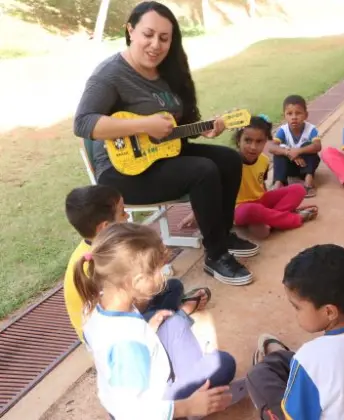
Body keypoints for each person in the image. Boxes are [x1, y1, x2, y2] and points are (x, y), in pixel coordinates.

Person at [73, 1, 257, 285]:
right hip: (121, 172)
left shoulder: (169, 70)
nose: (155, 45)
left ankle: (221, 232)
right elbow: (83, 123)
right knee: (203, 170)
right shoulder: (110, 75)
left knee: (229, 160)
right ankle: (216, 255)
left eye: (164, 38)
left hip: (163, 155)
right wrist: (144, 124)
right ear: (130, 31)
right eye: (148, 34)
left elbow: (172, 130)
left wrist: (204, 128)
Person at [75, 223, 237, 419]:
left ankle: (193, 381)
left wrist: (147, 331)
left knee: (174, 323)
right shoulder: (127, 346)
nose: (164, 274)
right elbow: (131, 413)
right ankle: (191, 407)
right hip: (150, 408)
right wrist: (188, 406)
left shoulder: (98, 305)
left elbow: (106, 351)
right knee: (224, 363)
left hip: (146, 376)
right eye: (159, 270)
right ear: (136, 282)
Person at [246, 244, 344, 419]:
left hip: (310, 374)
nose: (295, 314)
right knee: (287, 361)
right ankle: (285, 365)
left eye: (297, 307)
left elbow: (296, 416)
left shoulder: (309, 357)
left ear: (329, 312)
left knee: (258, 375)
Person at [63, 185, 209, 340]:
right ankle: (181, 314)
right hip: (116, 334)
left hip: (126, 310)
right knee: (161, 311)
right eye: (122, 212)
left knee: (173, 286)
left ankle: (173, 313)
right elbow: (124, 311)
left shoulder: (104, 247)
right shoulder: (98, 263)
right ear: (105, 227)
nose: (126, 216)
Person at [233, 115, 318, 240]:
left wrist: (266, 207)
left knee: (298, 189)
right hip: (239, 208)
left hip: (260, 202)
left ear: (266, 142)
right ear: (238, 141)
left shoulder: (264, 160)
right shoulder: (230, 161)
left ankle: (269, 220)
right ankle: (294, 219)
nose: (253, 147)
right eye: (247, 140)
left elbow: (261, 185)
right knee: (251, 210)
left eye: (259, 141)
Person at [270, 95, 322, 197]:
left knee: (309, 146)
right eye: (289, 114)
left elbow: (318, 146)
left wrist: (299, 151)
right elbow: (272, 147)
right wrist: (288, 152)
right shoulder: (283, 130)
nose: (294, 117)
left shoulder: (311, 129)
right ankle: (279, 182)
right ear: (284, 116)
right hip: (289, 167)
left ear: (306, 115)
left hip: (304, 166)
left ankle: (308, 181)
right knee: (279, 152)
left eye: (298, 113)